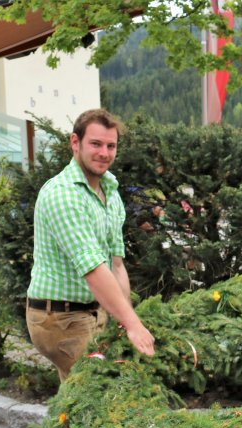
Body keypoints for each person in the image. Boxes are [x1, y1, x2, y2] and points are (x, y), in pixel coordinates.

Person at [26, 108, 155, 381]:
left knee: (80, 404)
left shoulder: (109, 190)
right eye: (95, 144)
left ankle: (64, 424)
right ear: (75, 143)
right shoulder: (63, 195)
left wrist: (124, 319)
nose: (104, 153)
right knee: (101, 388)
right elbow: (94, 268)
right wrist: (133, 325)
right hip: (59, 318)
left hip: (91, 312)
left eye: (111, 146)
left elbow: (116, 264)